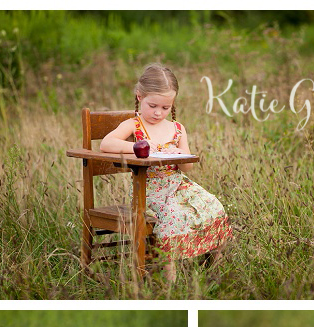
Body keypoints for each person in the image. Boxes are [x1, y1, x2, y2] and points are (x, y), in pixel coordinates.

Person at [99, 63, 232, 277]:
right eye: (153, 106)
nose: (158, 113)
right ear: (139, 96)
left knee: (212, 205)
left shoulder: (177, 129)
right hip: (149, 191)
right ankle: (170, 278)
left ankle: (214, 265)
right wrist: (137, 147)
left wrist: (180, 155)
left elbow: (187, 166)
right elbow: (106, 144)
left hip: (179, 185)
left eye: (165, 108)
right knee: (173, 215)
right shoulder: (134, 125)